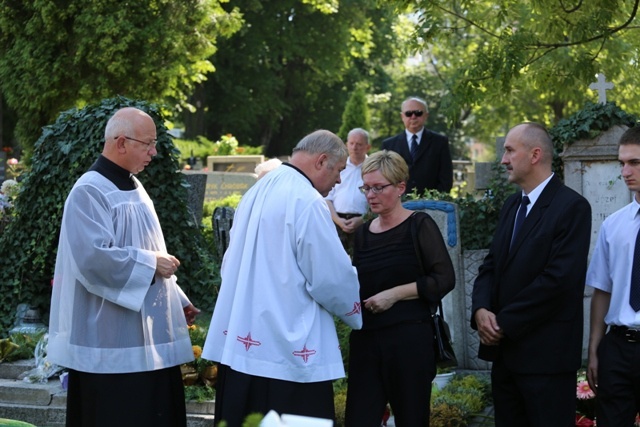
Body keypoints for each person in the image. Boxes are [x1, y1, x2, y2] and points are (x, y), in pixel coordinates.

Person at [47, 107, 200, 427]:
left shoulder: (134, 186)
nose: (153, 152)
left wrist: (177, 298)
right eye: (148, 143)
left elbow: (151, 249)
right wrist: (151, 263)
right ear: (120, 142)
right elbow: (93, 259)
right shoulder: (89, 190)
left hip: (150, 333)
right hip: (111, 341)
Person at [202, 129, 363, 426]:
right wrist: (357, 313)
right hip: (287, 353)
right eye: (339, 171)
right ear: (322, 161)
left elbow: (229, 263)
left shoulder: (256, 191)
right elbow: (330, 278)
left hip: (243, 340)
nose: (340, 180)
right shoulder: (308, 200)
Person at [471, 122, 592, 427]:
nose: (503, 159)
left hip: (546, 359)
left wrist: (504, 322)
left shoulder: (572, 207)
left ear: (535, 154)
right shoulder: (512, 205)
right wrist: (481, 310)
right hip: (505, 357)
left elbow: (558, 281)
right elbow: (491, 265)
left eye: (510, 150)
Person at [345, 150, 455, 426]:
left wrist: (395, 295)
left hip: (409, 341)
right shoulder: (362, 234)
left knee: (411, 419)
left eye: (378, 187)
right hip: (366, 341)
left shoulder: (419, 225)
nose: (370, 194)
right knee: (358, 419)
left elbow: (444, 278)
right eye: (366, 187)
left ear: (400, 187)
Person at [586, 126, 640, 426]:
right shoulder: (614, 225)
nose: (625, 171)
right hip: (618, 347)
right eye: (622, 163)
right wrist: (594, 348)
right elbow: (602, 290)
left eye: (635, 162)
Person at [382, 96, 453, 195]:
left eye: (418, 113)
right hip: (398, 203)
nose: (413, 117)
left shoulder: (440, 142)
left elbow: (446, 178)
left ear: (426, 115)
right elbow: (384, 178)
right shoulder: (389, 145)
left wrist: (436, 200)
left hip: (431, 204)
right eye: (408, 113)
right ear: (402, 117)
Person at [325, 128, 371, 254]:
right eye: (351, 143)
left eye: (359, 144)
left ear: (368, 147)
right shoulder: (338, 167)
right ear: (346, 145)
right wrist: (339, 221)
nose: (354, 147)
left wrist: (363, 219)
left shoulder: (374, 167)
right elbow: (327, 198)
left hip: (365, 223)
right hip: (337, 221)